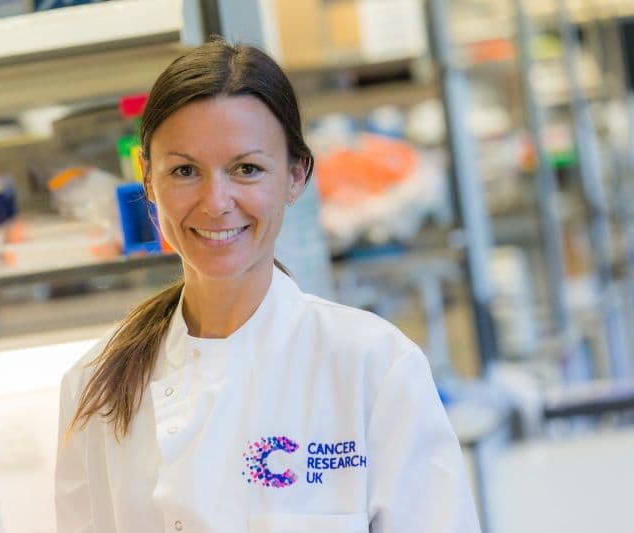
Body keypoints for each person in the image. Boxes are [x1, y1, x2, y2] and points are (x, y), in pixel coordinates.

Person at [55, 39, 481, 533]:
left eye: (247, 169)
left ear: (296, 177)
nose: (216, 202)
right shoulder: (93, 387)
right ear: (148, 183)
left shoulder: (373, 365)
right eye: (185, 171)